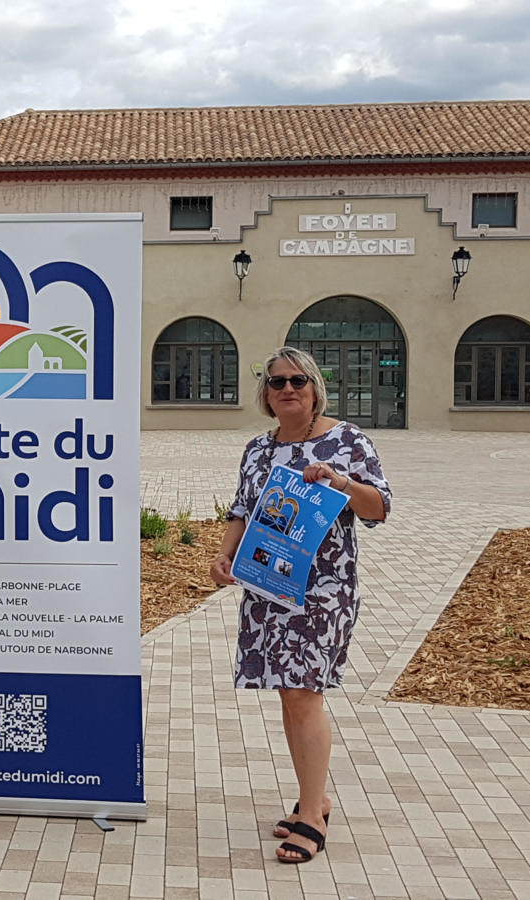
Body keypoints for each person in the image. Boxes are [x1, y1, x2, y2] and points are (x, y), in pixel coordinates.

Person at [209, 347, 391, 864]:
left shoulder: (347, 441)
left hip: (324, 589)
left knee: (303, 691)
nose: (287, 389)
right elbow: (242, 510)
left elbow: (379, 508)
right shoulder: (257, 452)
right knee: (290, 695)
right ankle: (316, 799)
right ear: (265, 395)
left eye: (297, 381)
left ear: (315, 389)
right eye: (276, 383)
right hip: (267, 587)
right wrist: (223, 555)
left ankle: (311, 817)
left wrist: (341, 481)